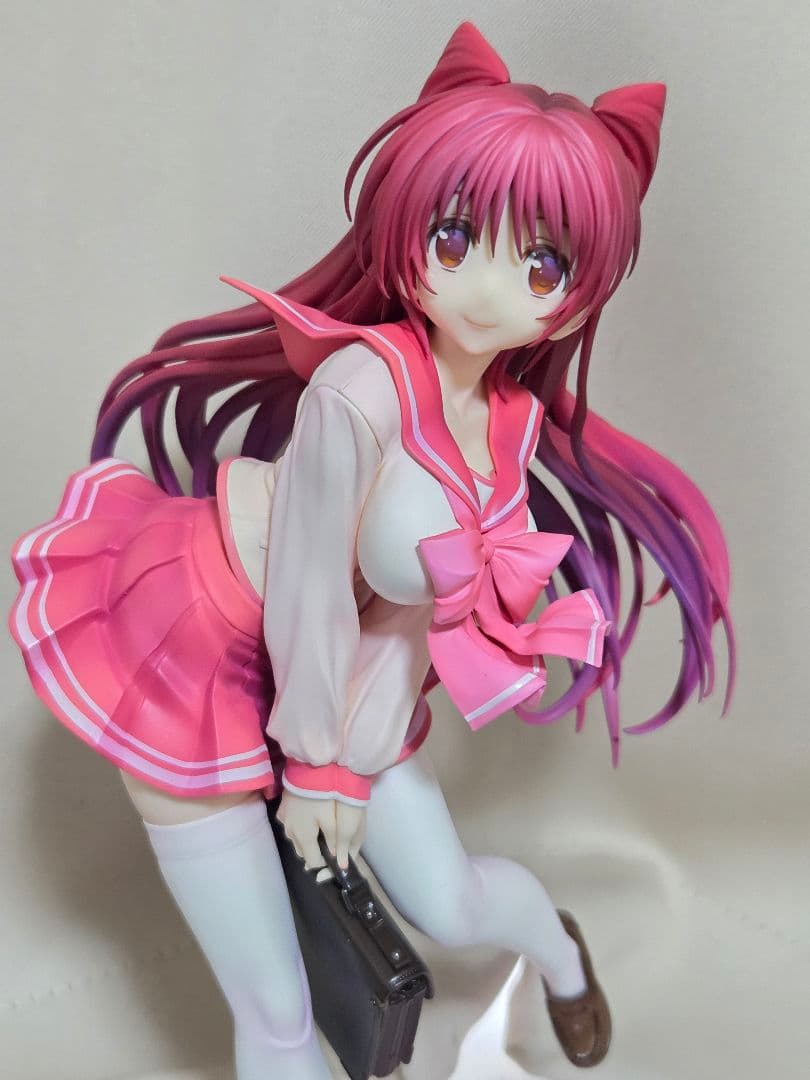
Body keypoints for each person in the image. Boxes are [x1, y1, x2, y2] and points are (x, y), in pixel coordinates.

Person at [8, 21, 734, 1079]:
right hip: (200, 635)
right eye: (456, 239)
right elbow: (307, 579)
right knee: (276, 1011)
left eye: (541, 264)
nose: (487, 291)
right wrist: (314, 766)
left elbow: (408, 618)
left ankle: (560, 955)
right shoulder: (358, 392)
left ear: (579, 290)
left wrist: (344, 770)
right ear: (408, 225)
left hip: (343, 657)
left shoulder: (511, 424)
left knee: (450, 902)